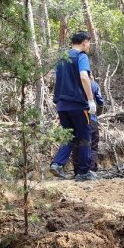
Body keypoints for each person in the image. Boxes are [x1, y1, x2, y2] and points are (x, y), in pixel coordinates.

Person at [49, 31, 97, 182]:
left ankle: (57, 164)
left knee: (69, 136)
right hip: (78, 105)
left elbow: (58, 80)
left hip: (62, 105)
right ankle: (83, 173)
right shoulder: (81, 56)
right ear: (84, 42)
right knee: (84, 137)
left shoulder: (62, 58)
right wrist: (90, 100)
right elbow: (84, 76)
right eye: (89, 42)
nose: (89, 46)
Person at [50, 74, 104, 177]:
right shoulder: (93, 85)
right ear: (90, 76)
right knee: (90, 144)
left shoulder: (68, 84)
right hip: (87, 116)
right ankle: (89, 170)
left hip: (67, 113)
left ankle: (76, 171)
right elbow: (100, 101)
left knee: (73, 141)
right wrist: (97, 111)